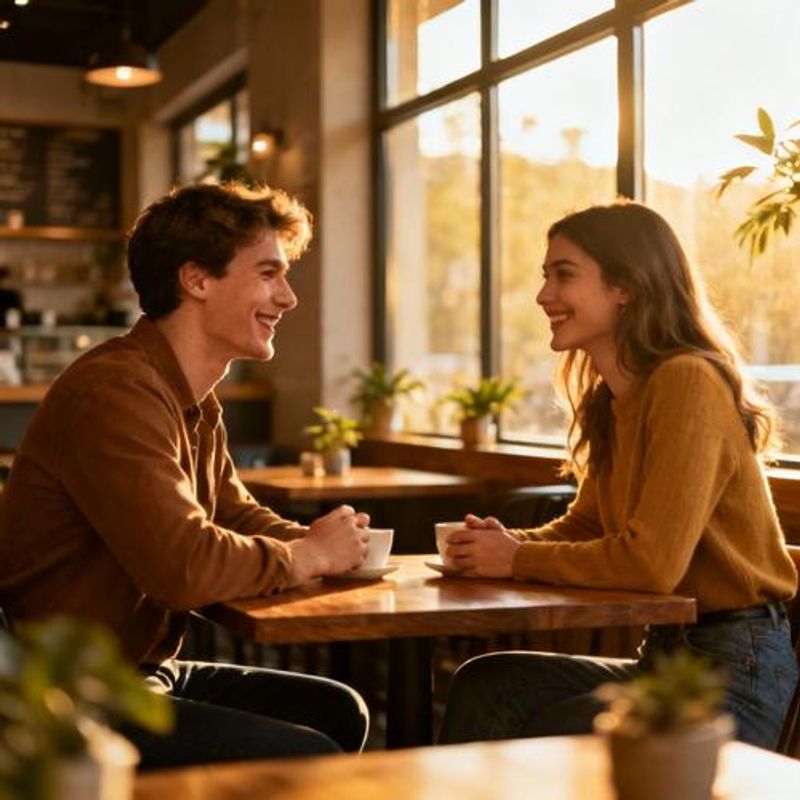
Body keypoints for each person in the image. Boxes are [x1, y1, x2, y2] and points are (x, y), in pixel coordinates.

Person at [0, 182, 372, 767]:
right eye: (269, 274)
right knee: (307, 755)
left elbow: (229, 512)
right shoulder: (117, 391)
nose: (288, 298)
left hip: (140, 671)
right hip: (59, 693)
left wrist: (318, 541)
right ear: (196, 280)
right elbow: (183, 565)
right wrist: (308, 558)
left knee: (337, 709)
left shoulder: (187, 393)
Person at [438, 200, 798, 750]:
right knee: (490, 683)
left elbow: (652, 564)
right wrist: (505, 543)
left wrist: (516, 558)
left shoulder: (687, 381)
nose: (543, 296)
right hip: (665, 654)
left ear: (625, 285)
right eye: (545, 276)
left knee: (562, 736)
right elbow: (585, 526)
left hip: (732, 665)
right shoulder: (613, 400)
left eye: (564, 275)